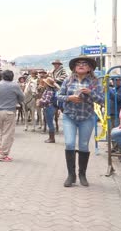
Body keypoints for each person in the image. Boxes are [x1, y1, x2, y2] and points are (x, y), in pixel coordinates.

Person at [58, 56, 104, 187]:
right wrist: (69, 98)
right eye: (78, 63)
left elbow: (101, 100)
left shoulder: (95, 82)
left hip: (87, 117)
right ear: (74, 68)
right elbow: (58, 96)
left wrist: (90, 93)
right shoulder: (68, 80)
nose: (81, 65)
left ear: (89, 68)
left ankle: (82, 175)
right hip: (69, 117)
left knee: (83, 145)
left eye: (84, 63)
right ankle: (71, 175)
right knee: (69, 143)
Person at [0, 70, 24, 162]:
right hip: (9, 112)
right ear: (12, 77)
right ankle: (3, 155)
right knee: (8, 134)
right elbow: (22, 98)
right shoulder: (14, 85)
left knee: (1, 132)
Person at [39, 77, 60, 143]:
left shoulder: (49, 91)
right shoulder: (49, 90)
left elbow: (47, 101)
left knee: (50, 122)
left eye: (45, 83)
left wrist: (40, 101)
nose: (44, 83)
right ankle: (51, 137)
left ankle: (52, 138)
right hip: (49, 107)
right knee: (49, 122)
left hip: (49, 107)